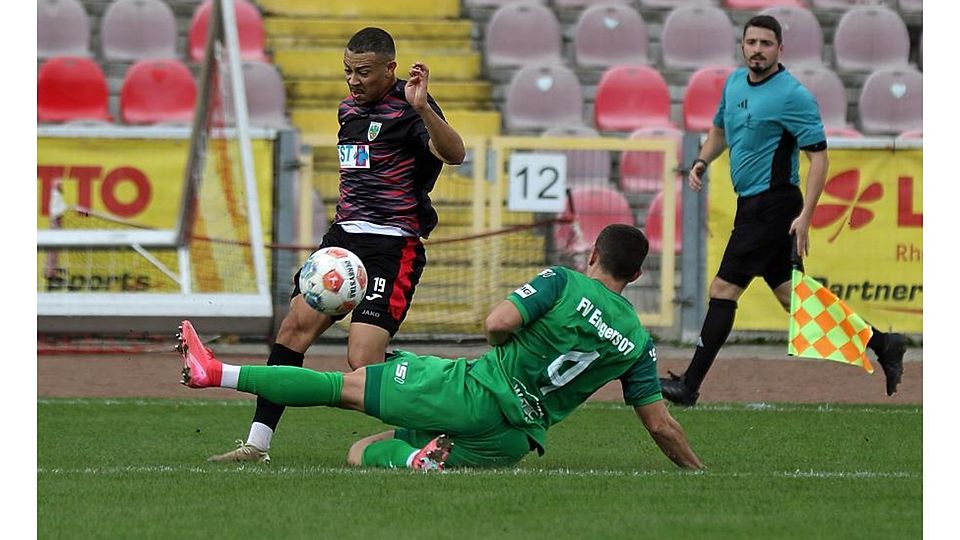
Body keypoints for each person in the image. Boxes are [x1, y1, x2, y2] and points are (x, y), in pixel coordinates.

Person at [179, 225, 704, 471]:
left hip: (473, 393)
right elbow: (660, 425)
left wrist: (505, 341)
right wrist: (697, 472)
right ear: (636, 275)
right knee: (366, 450)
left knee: (341, 387)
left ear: (592, 255)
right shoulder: (638, 342)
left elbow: (497, 322)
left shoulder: (564, 282)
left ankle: (215, 372)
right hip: (513, 442)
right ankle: (418, 457)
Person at [207, 27, 466, 462]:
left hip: (392, 246)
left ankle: (441, 394)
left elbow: (455, 154)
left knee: (363, 360)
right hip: (342, 241)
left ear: (390, 68)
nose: (353, 81)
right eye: (348, 71)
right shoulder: (348, 109)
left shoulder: (412, 105)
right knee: (292, 329)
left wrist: (423, 109)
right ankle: (257, 445)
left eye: (363, 72)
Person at [660, 15, 905, 407]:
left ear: (779, 49)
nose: (757, 50)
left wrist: (806, 216)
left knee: (722, 290)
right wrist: (702, 161)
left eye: (765, 43)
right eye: (751, 42)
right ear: (742, 45)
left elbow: (819, 159)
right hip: (750, 205)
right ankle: (884, 343)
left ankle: (689, 386)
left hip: (774, 206)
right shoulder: (734, 83)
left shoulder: (793, 96)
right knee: (795, 300)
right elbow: (720, 130)